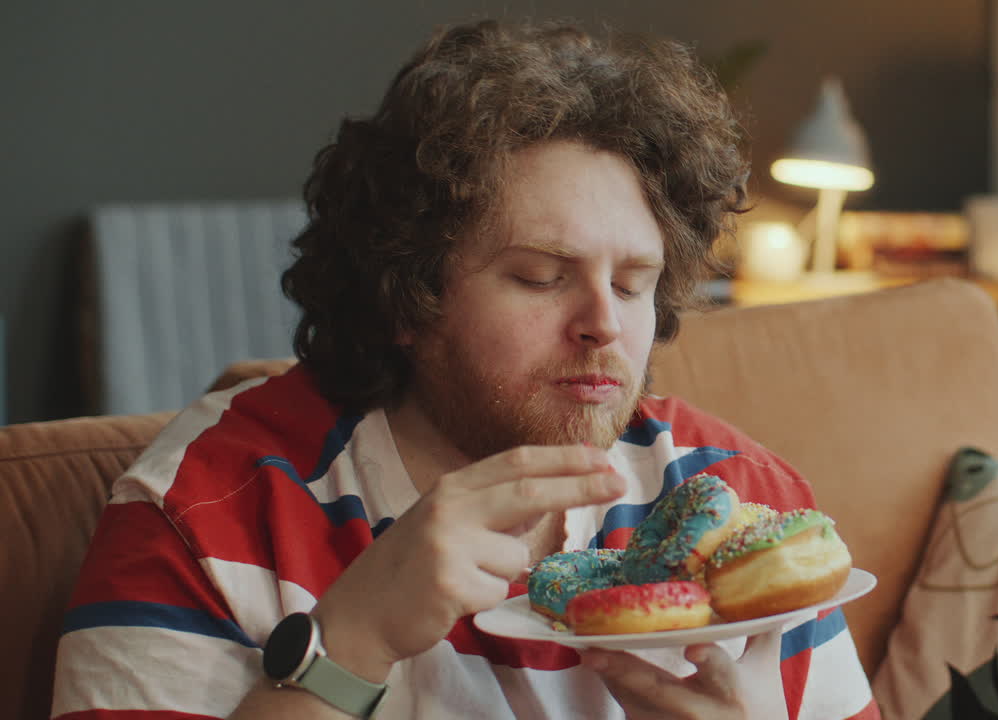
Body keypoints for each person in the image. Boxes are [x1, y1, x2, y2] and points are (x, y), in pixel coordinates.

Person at [51, 19, 880, 720]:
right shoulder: (210, 512)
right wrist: (352, 644)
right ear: (409, 294)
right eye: (540, 277)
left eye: (632, 284)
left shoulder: (741, 503)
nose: (603, 325)